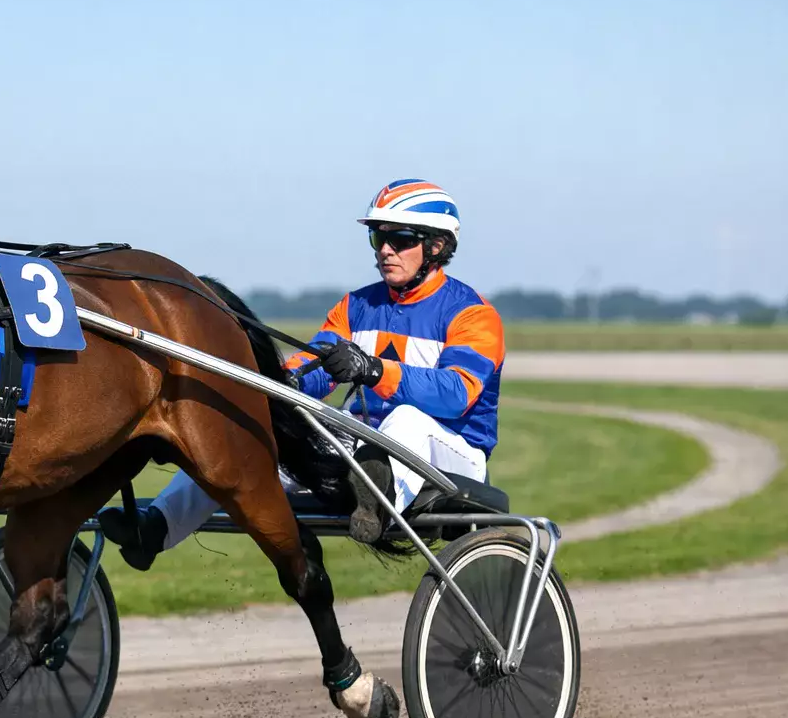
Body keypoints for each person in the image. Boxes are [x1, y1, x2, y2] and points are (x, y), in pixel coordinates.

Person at [100, 179, 505, 569]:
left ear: (436, 246)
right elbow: (315, 365)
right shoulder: (356, 305)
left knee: (406, 420)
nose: (385, 250)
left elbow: (455, 394)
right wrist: (282, 384)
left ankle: (376, 505)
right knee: (244, 442)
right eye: (378, 238)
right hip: (366, 444)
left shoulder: (472, 314)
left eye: (399, 239)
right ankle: (156, 527)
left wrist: (374, 369)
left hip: (451, 454)